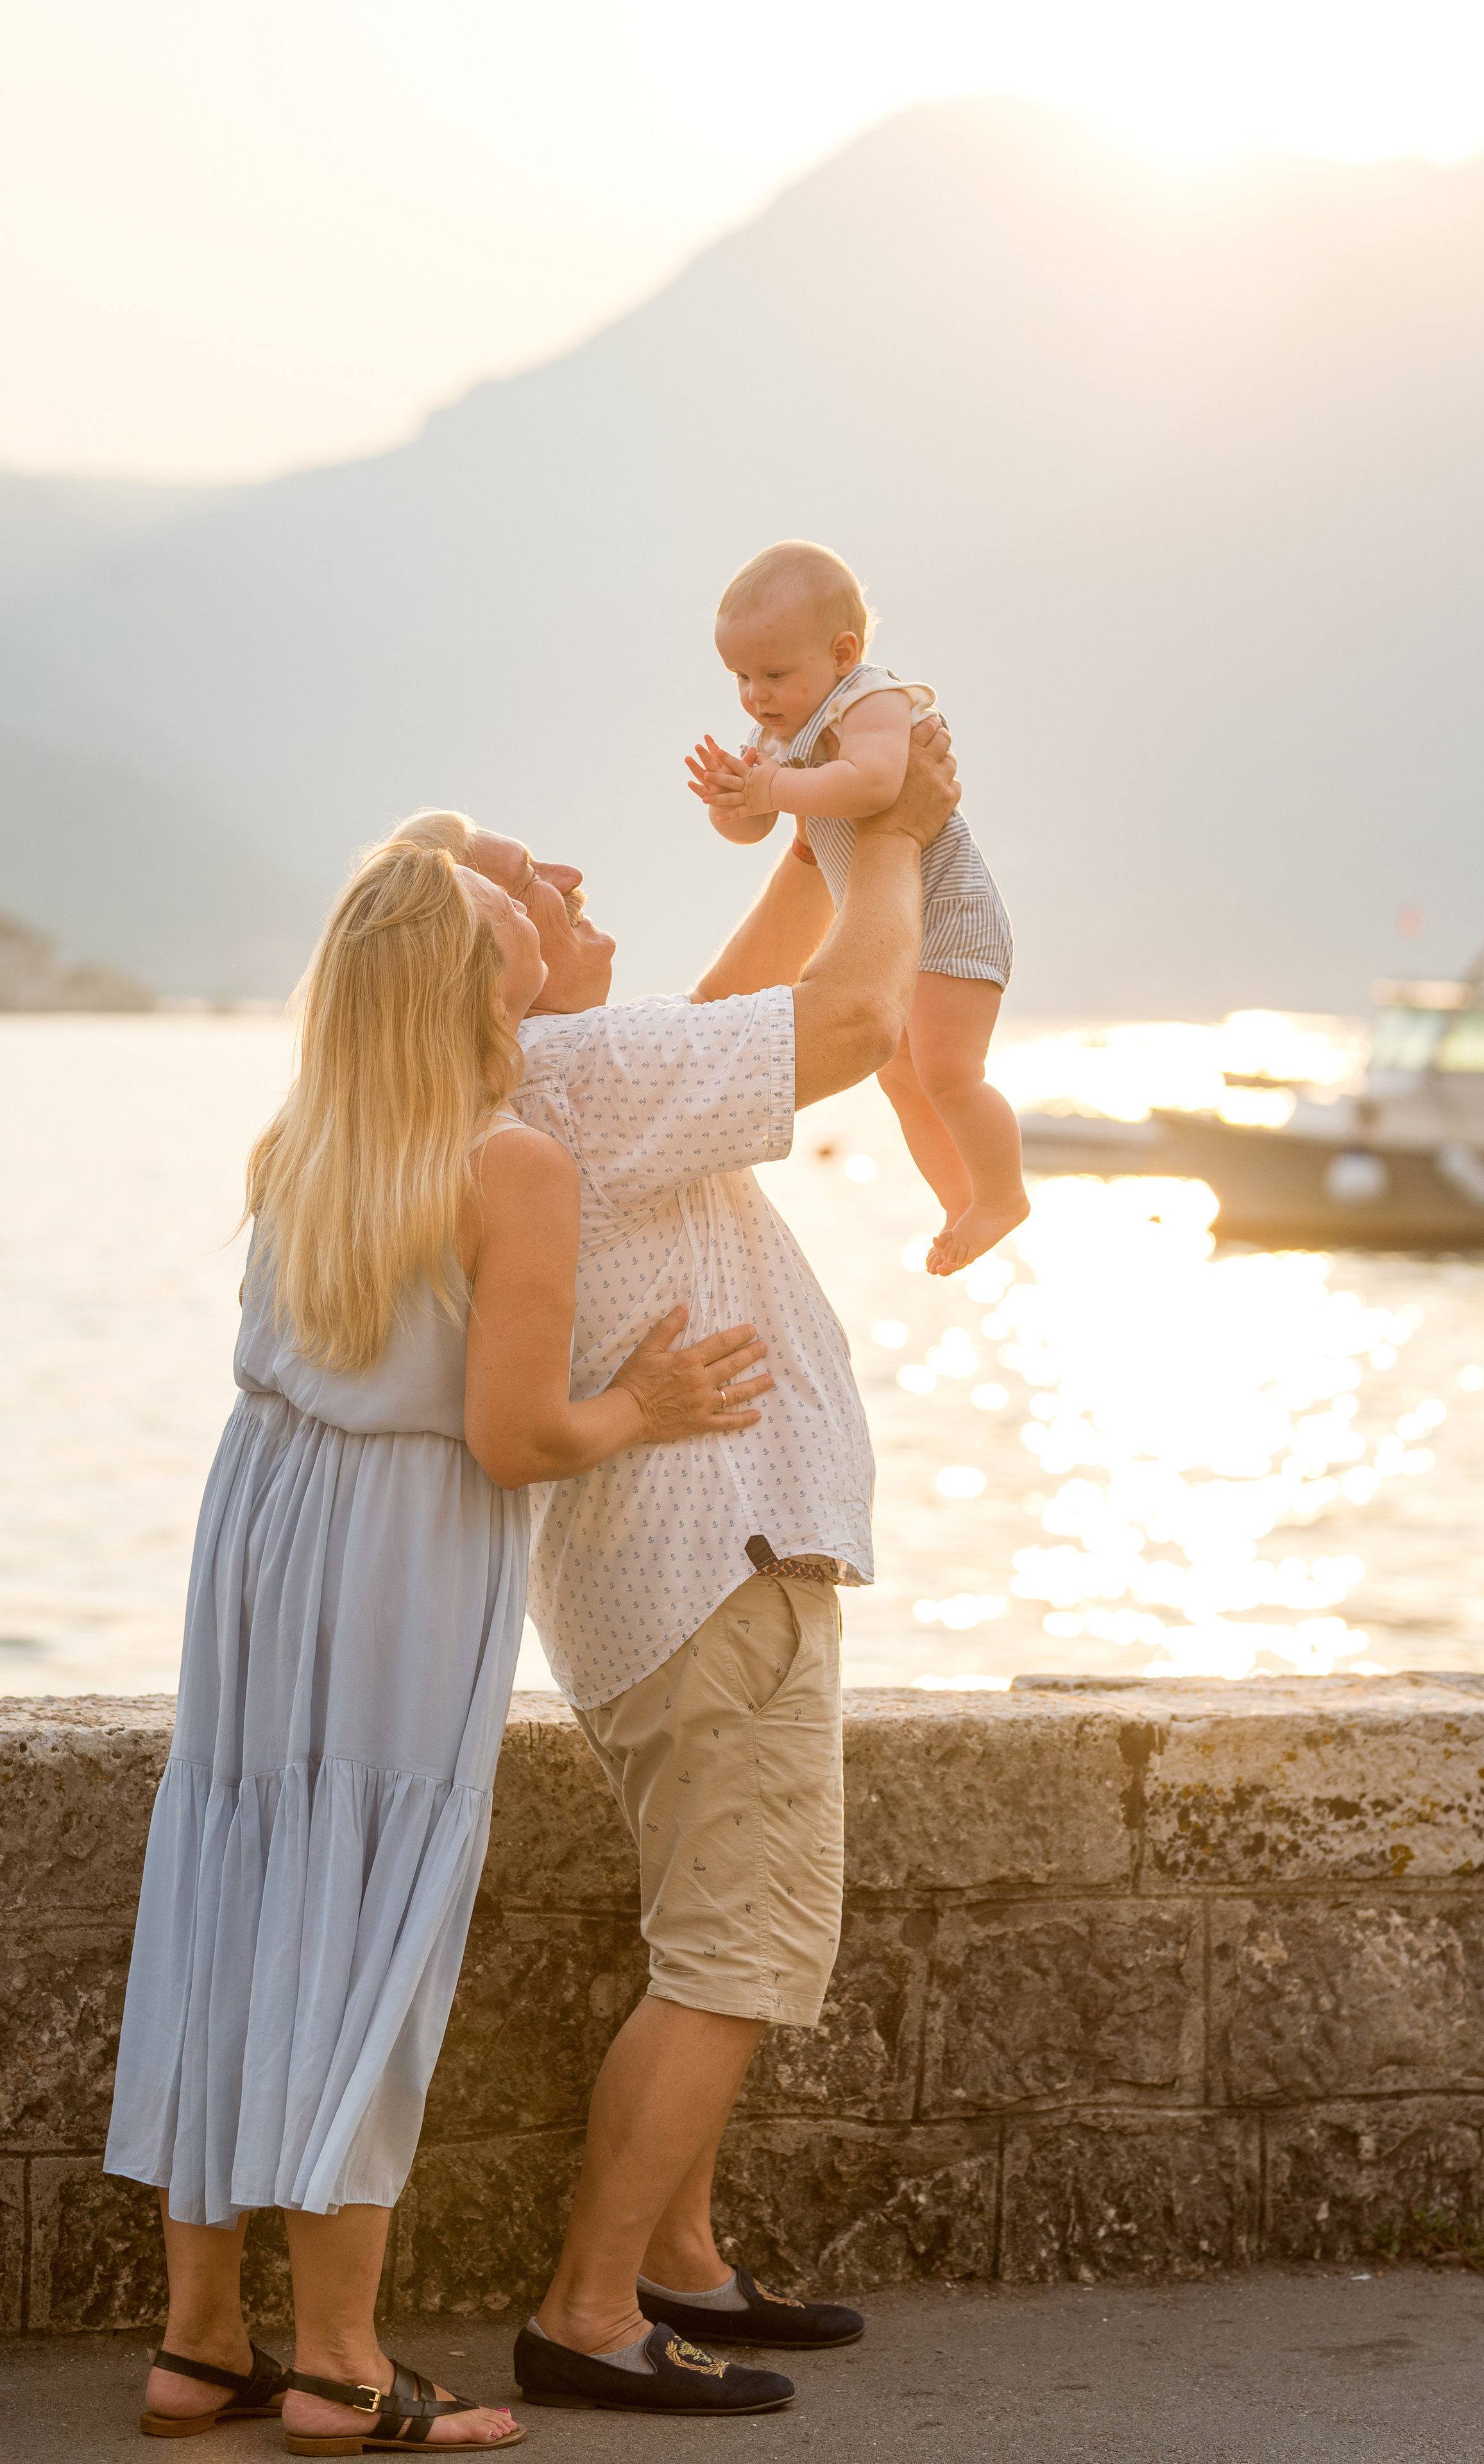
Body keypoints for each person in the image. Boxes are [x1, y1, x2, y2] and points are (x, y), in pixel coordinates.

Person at [103, 840, 773, 2451]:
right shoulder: (508, 1161)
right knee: (362, 1923)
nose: (529, 936)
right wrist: (654, 1403)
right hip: (397, 1557)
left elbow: (432, 893)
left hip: (259, 1534)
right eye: (500, 934)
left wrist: (472, 878)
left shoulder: (303, 1141)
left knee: (244, 1896)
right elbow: (518, 1435)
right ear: (466, 989)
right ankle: (339, 2363)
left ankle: (202, 2344)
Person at [413, 718, 961, 2417]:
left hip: (664, 1579)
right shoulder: (579, 1086)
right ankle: (588, 2309)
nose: (566, 879)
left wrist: (812, 809)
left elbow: (759, 991)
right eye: (523, 881)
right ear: (485, 966)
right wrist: (899, 835)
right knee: (735, 1952)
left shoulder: (573, 1079)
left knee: (702, 1930)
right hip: (716, 1572)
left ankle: (683, 2261)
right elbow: (859, 1019)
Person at [687, 537, 1027, 1275]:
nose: (755, 695)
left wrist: (772, 789)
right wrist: (733, 801)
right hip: (898, 927)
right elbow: (756, 829)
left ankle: (1003, 1194)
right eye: (740, 677)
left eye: (774, 674)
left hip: (949, 915)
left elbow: (874, 785)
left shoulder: (871, 701)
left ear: (843, 652)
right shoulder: (775, 735)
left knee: (949, 1073)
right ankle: (959, 1200)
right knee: (899, 1077)